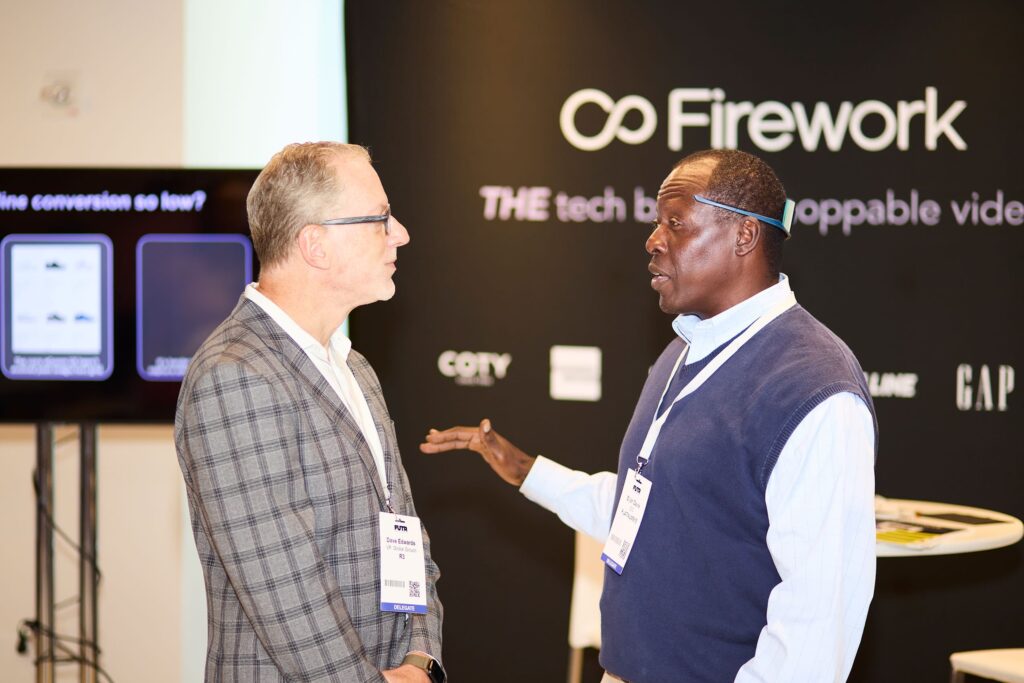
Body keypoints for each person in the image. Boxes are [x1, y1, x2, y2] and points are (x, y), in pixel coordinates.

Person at [421, 149, 876, 683]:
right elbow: (648, 512)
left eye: (675, 223)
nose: (653, 241)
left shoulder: (813, 387)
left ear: (744, 236)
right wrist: (525, 471)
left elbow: (819, 619)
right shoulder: (684, 349)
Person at [176, 142, 444, 683]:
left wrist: (421, 661)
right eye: (380, 219)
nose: (400, 234)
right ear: (315, 244)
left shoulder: (354, 368)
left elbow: (405, 534)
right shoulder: (234, 375)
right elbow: (285, 590)